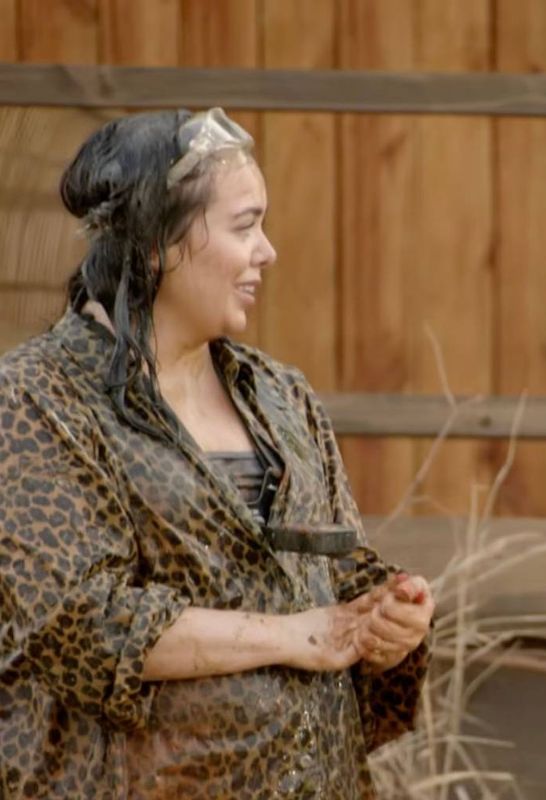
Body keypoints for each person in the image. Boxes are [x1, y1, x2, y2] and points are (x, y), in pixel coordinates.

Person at [0, 108, 434, 799]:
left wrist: (388, 618)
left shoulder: (279, 396)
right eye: (244, 226)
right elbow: (79, 624)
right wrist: (296, 636)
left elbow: (341, 578)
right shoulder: (37, 401)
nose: (268, 250)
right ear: (154, 244)